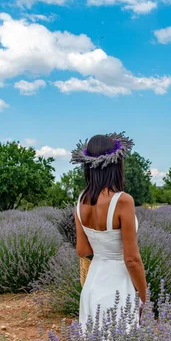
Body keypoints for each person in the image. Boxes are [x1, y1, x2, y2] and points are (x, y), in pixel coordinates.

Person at [71, 132, 147, 330]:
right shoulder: (123, 200)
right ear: (116, 164)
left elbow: (82, 250)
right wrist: (145, 297)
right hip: (118, 288)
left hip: (92, 285)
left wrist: (103, 247)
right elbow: (131, 259)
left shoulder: (81, 201)